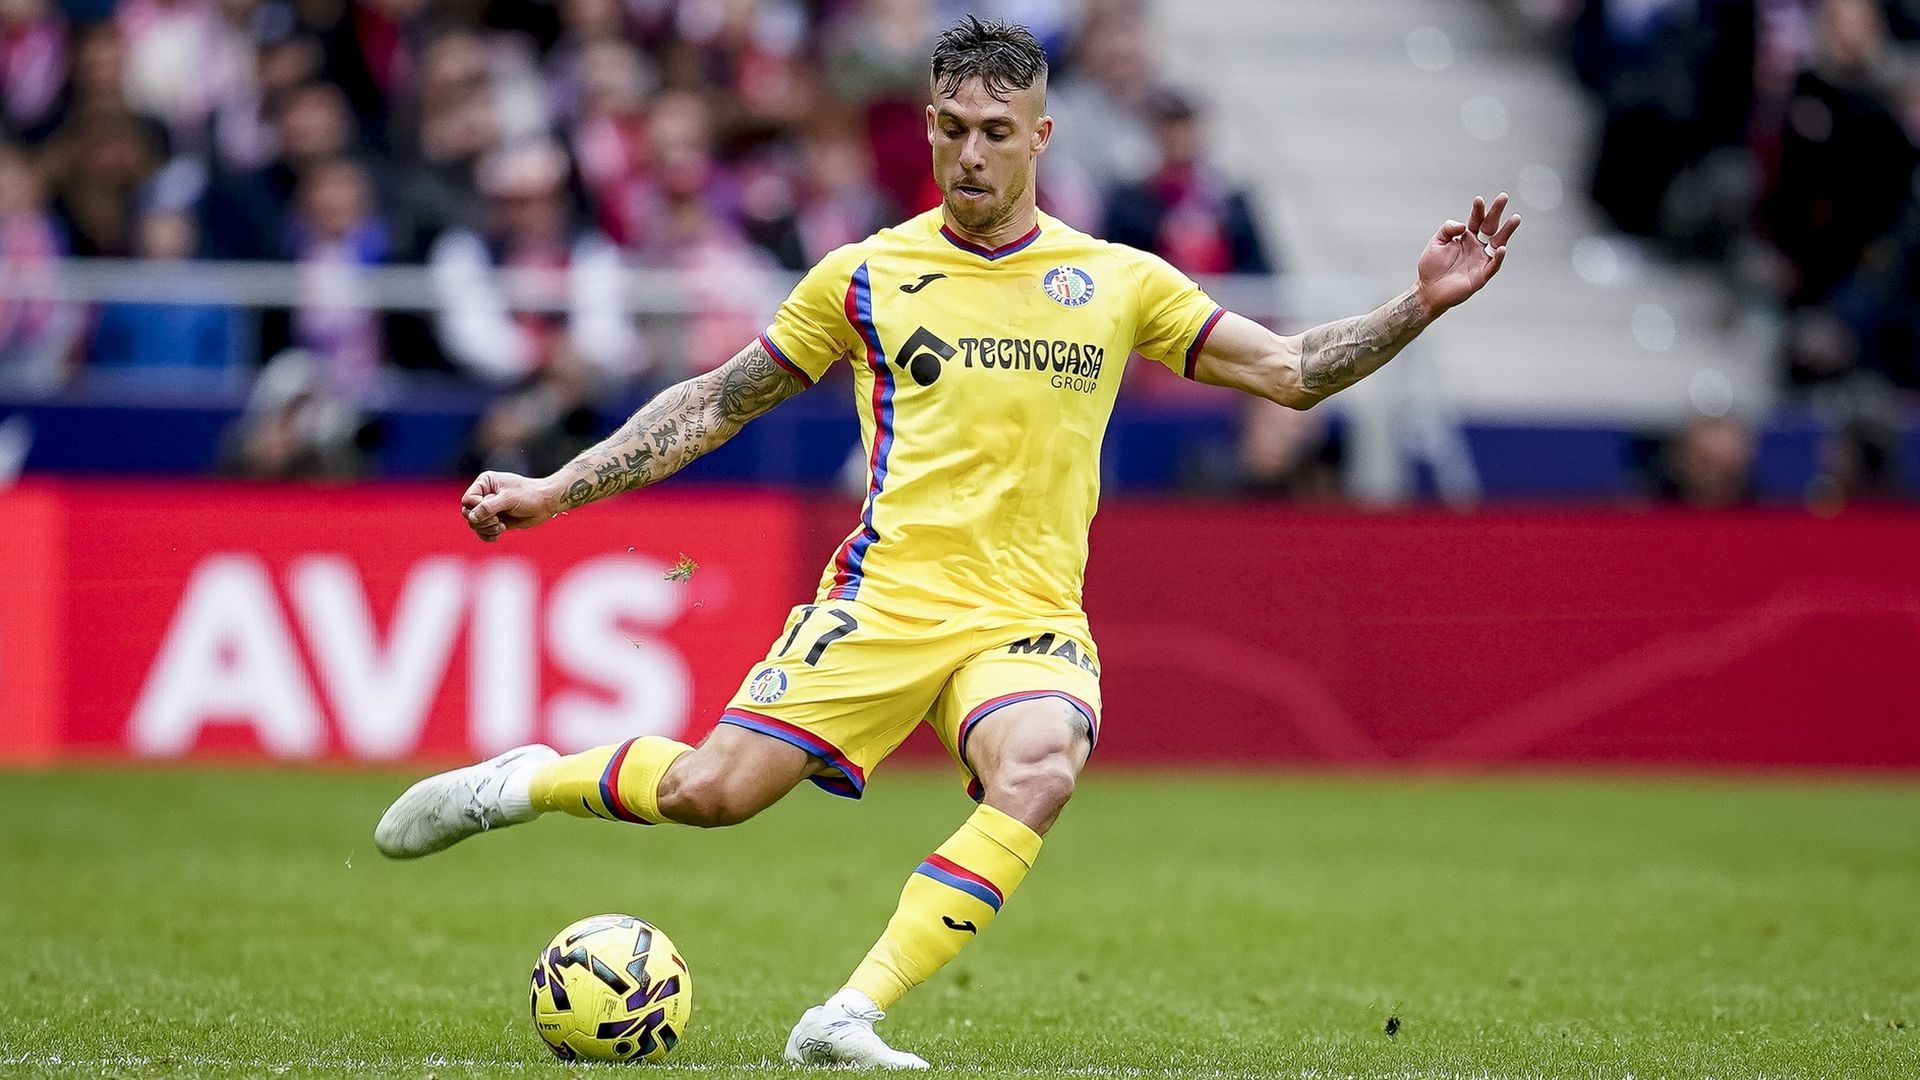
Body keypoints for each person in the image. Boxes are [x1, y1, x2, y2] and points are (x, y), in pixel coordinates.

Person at [374, 17, 1520, 1069]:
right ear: (928, 128)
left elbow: (1293, 372)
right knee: (710, 796)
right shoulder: (866, 275)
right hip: (880, 604)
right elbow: (716, 402)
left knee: (1042, 767)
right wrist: (557, 487)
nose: (972, 156)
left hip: (1025, 620)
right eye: (954, 130)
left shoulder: (1116, 283)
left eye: (997, 134)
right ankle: (521, 784)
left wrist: (1416, 307)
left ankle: (847, 1014)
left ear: (1040, 137)